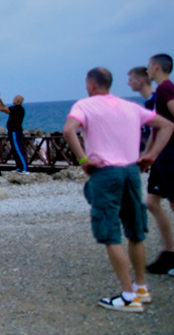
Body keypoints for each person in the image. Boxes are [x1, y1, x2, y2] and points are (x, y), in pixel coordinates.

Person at [62, 66, 173, 312]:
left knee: (110, 232)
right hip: (132, 171)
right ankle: (141, 287)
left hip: (105, 172)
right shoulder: (130, 106)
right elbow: (166, 125)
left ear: (91, 85)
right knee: (135, 231)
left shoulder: (84, 105)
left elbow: (69, 130)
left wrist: (83, 160)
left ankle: (128, 295)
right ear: (109, 84)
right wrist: (151, 155)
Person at [144, 54, 174, 275]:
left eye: (148, 67)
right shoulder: (161, 91)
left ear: (156, 67)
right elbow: (156, 128)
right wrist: (147, 154)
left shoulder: (165, 89)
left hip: (170, 153)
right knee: (153, 202)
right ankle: (168, 252)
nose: (147, 71)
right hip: (161, 155)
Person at [0, 93, 28, 172]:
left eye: (14, 99)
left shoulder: (17, 108)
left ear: (17, 101)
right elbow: (5, 109)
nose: (13, 100)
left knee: (18, 149)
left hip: (15, 131)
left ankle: (24, 168)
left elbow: (3, 109)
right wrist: (0, 101)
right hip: (13, 131)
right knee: (14, 150)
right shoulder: (16, 108)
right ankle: (19, 167)